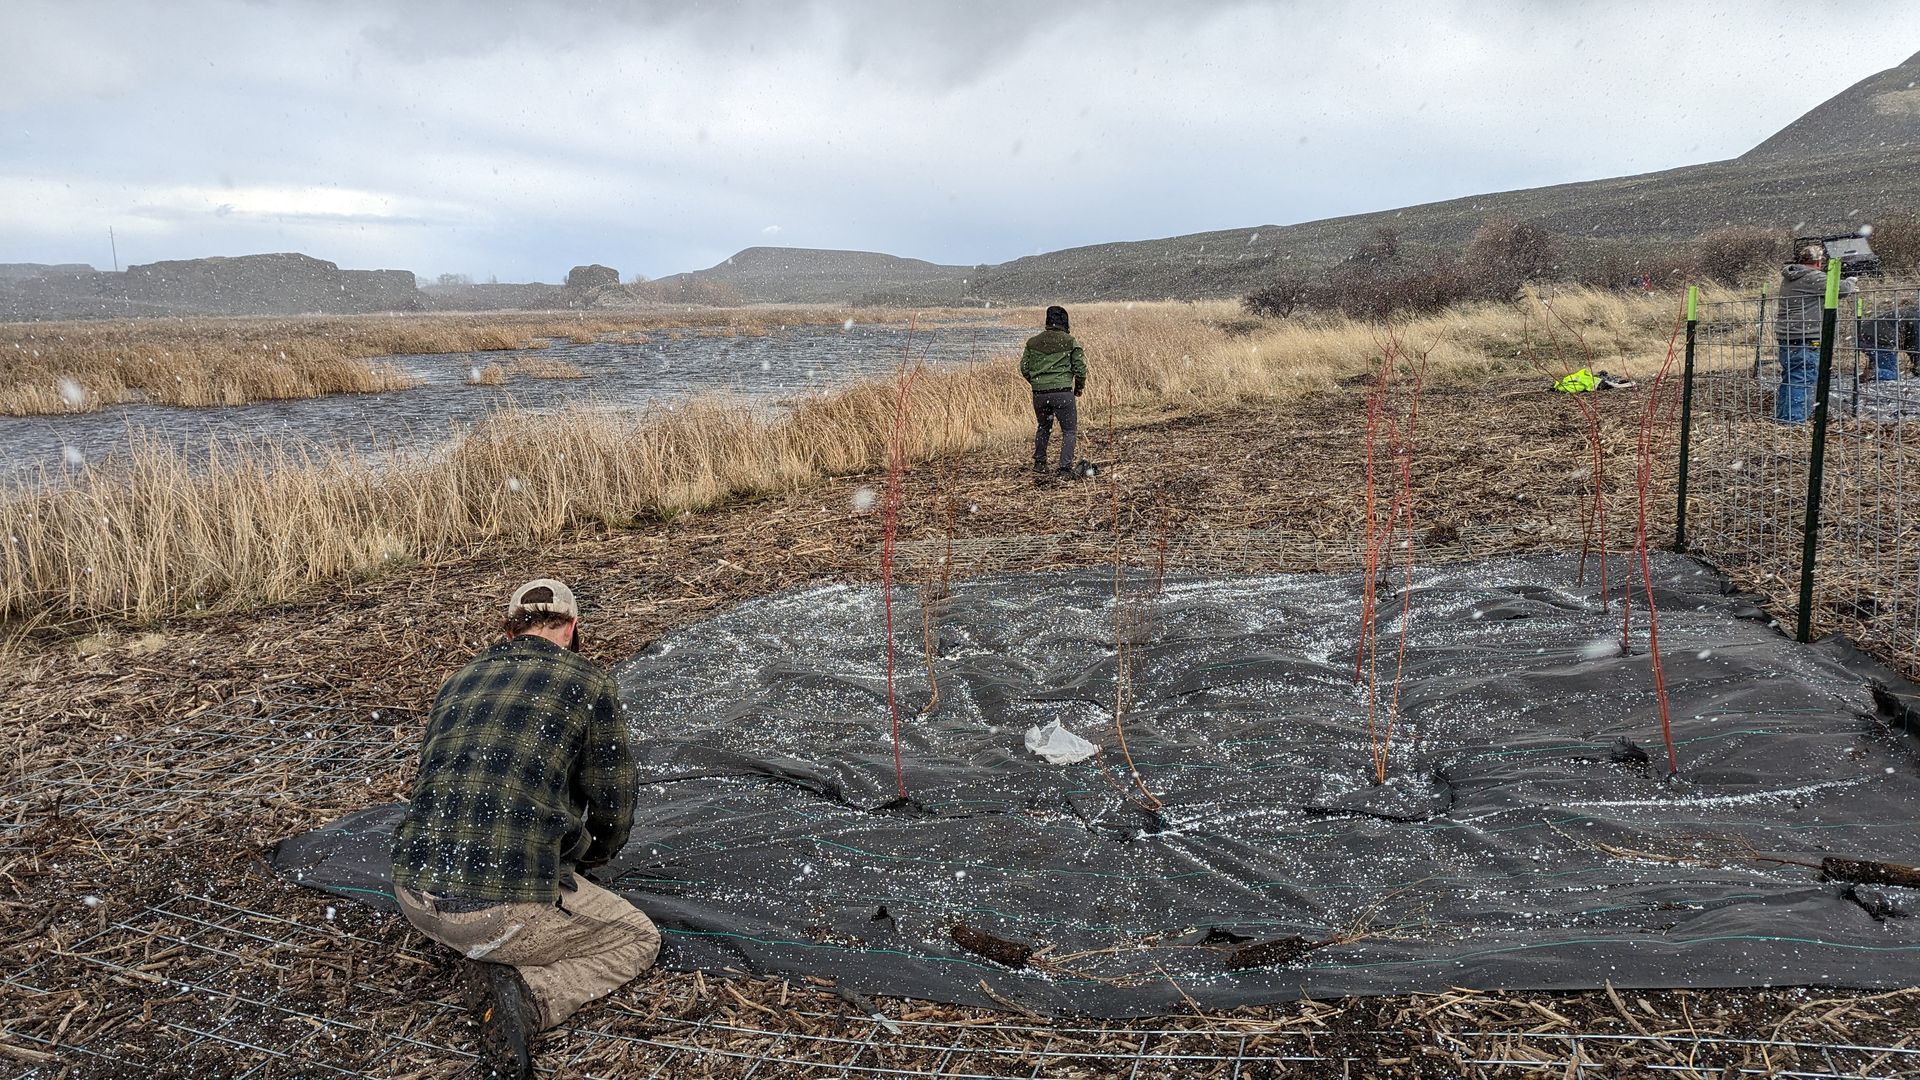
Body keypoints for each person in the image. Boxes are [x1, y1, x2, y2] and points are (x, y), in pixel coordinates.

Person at [390, 578, 656, 1080]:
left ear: (509, 629)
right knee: (637, 939)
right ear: (573, 627)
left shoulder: (461, 678)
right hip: (498, 911)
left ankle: (478, 942)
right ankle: (528, 997)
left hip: (414, 895)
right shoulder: (588, 682)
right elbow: (612, 805)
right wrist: (592, 860)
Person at [1773, 244, 1858, 423]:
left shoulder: (1791, 276)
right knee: (1803, 377)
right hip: (1806, 337)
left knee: (1792, 377)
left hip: (1789, 336)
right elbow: (1841, 290)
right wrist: (1851, 281)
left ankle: (1784, 418)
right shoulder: (1812, 277)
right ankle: (1792, 421)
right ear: (1819, 262)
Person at [1019, 305, 1088, 479]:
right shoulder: (1071, 341)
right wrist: (1078, 388)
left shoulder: (1032, 342)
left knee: (1043, 427)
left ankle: (1040, 463)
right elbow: (1080, 369)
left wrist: (1037, 382)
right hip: (1063, 393)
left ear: (1047, 321)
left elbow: (1024, 367)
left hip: (1039, 394)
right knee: (1069, 431)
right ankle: (1064, 469)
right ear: (1065, 322)